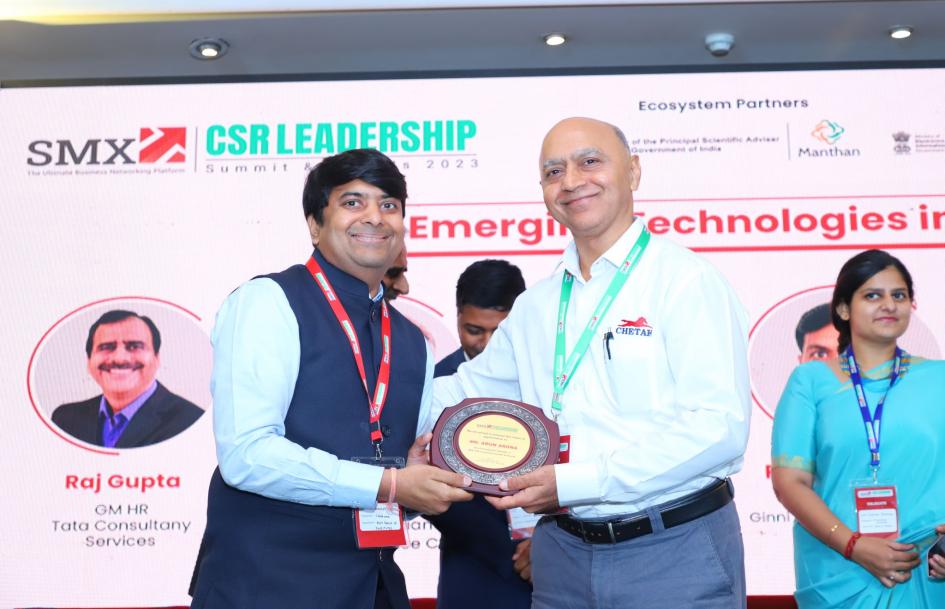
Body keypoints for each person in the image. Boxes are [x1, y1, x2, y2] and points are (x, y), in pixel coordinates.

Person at [432, 117, 751, 608]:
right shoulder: (536, 306)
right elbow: (461, 395)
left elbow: (719, 428)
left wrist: (572, 483)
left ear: (633, 171)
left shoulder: (686, 282)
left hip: (672, 549)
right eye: (553, 171)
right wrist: (361, 402)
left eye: (589, 161)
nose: (572, 181)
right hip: (561, 555)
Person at [189, 148, 472, 609]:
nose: (375, 216)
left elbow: (397, 480)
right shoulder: (268, 301)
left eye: (389, 204)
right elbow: (247, 455)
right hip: (267, 587)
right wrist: (389, 483)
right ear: (315, 224)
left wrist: (414, 478)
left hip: (374, 585)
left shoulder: (412, 341)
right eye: (353, 202)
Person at [771, 249, 945, 608]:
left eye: (899, 295)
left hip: (927, 565)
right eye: (873, 295)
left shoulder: (938, 379)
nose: (889, 305)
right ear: (844, 309)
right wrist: (854, 545)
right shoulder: (810, 381)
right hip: (837, 568)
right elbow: (790, 482)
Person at [427, 259, 531, 609]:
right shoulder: (433, 387)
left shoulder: (554, 377)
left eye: (499, 333)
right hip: (472, 571)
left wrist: (549, 541)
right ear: (457, 316)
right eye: (474, 330)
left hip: (556, 564)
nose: (486, 345)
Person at [51, 309, 203, 448]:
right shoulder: (64, 419)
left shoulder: (190, 421)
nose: (119, 358)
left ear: (156, 358)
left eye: (134, 346)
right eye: (106, 347)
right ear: (89, 361)